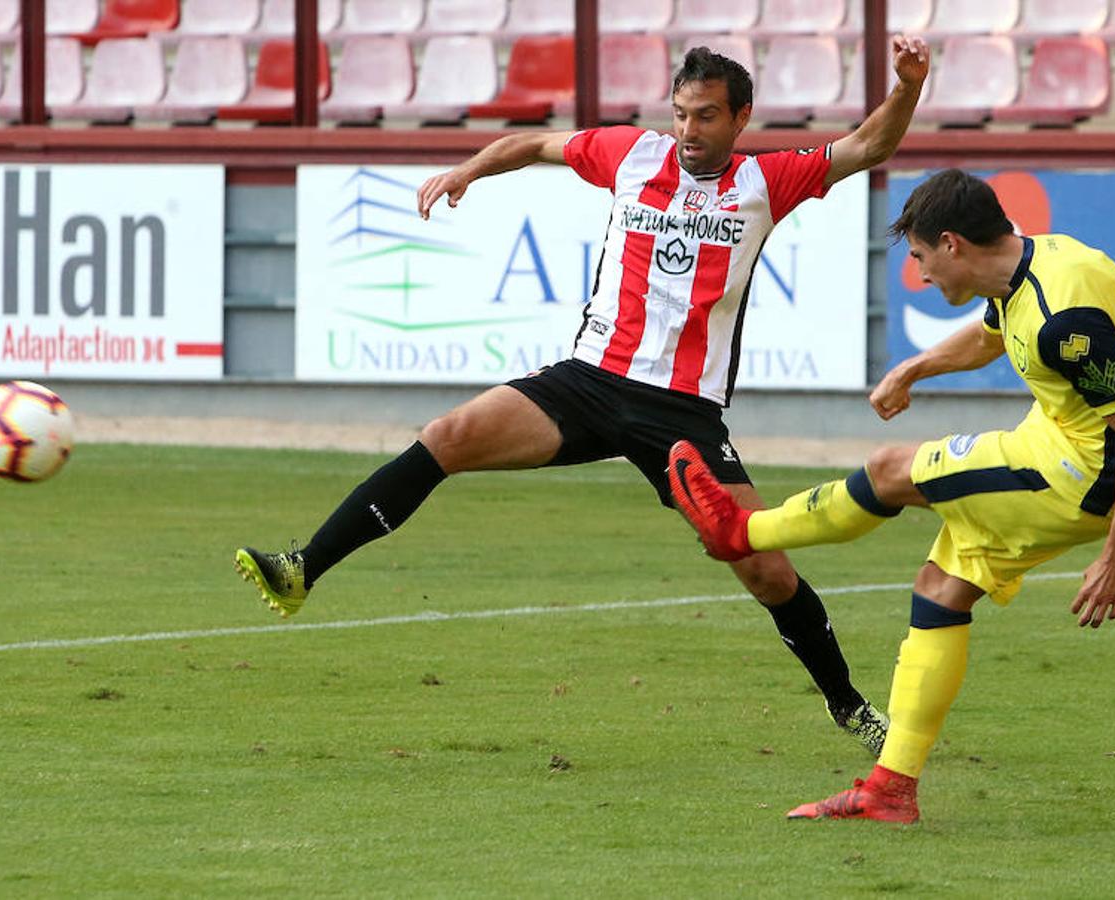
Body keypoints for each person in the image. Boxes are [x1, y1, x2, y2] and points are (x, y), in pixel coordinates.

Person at [235, 40, 932, 756]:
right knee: (447, 436)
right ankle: (301, 570)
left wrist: (906, 86)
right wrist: (469, 169)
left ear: (741, 118)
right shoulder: (631, 155)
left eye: (706, 117)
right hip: (588, 382)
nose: (689, 130)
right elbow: (535, 142)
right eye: (681, 114)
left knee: (764, 567)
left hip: (681, 414)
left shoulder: (767, 182)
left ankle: (845, 704)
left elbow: (868, 144)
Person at [668, 168, 1115, 822]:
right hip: (1059, 449)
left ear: (953, 243)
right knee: (939, 589)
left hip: (1079, 477)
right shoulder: (1039, 264)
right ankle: (890, 789)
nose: (920, 273)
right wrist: (915, 366)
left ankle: (739, 533)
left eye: (920, 255)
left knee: (889, 473)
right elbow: (995, 332)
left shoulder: (1061, 318)